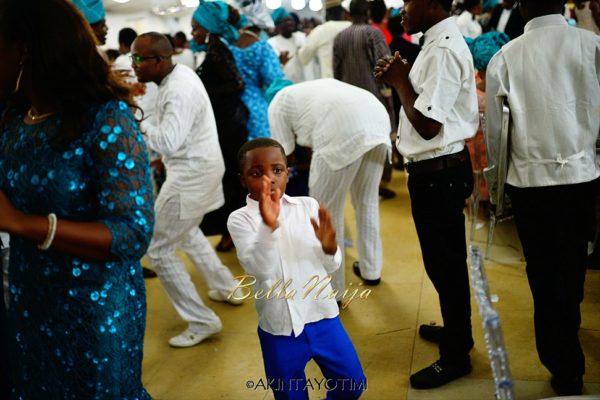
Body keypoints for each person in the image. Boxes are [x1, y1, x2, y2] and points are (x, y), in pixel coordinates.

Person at [0, 0, 155, 397]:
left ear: (26, 51)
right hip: (31, 299)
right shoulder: (17, 119)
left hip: (93, 310)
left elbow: (131, 234)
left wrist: (21, 223)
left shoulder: (105, 119)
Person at [485, 0, 600, 395]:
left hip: (531, 184)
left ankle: (564, 365)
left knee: (543, 273)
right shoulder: (592, 46)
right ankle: (570, 337)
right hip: (584, 176)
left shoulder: (506, 57)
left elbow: (498, 136)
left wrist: (498, 193)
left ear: (520, 5)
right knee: (574, 263)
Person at [374, 0, 479, 390]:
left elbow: (431, 125)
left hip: (441, 174)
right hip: (433, 174)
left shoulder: (446, 48)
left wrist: (400, 81)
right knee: (441, 263)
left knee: (446, 266)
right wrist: (402, 76)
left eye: (409, 1)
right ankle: (457, 332)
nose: (401, 9)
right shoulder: (433, 43)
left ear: (433, 4)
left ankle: (456, 356)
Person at [227, 138, 366, 400]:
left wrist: (329, 247)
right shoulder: (240, 219)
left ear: (288, 173)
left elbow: (331, 265)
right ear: (243, 180)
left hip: (323, 317)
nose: (269, 179)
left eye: (277, 170)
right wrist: (268, 226)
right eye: (257, 173)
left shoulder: (308, 207)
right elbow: (260, 269)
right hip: (279, 329)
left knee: (352, 383)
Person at [131, 32, 243, 348]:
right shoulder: (177, 77)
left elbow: (167, 141)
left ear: (160, 60)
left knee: (158, 248)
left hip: (191, 175)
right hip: (200, 168)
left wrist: (134, 119)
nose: (134, 64)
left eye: (138, 58)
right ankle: (226, 287)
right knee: (188, 231)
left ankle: (201, 319)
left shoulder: (177, 89)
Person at [268, 78, 391, 295]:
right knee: (367, 202)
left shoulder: (277, 103)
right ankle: (371, 270)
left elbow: (284, 158)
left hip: (340, 127)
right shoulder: (308, 91)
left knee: (324, 212)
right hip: (377, 119)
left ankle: (332, 290)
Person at [191, 0, 250, 253]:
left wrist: (203, 91)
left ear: (208, 28)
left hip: (229, 127)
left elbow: (237, 84)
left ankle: (232, 233)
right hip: (227, 124)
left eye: (195, 28)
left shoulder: (217, 50)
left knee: (230, 181)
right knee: (228, 180)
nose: (193, 33)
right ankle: (232, 231)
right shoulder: (216, 48)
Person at [334, 0, 396, 200]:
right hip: (374, 98)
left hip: (348, 100)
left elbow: (337, 71)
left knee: (354, 139)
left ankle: (357, 185)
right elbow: (385, 65)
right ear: (368, 11)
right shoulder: (373, 33)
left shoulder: (340, 37)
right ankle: (376, 185)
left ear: (349, 13)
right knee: (378, 140)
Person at [231, 0, 285, 140]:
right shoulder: (262, 47)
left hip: (234, 106)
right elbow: (274, 80)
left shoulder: (230, 47)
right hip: (257, 108)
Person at [297, 0, 351, 79]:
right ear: (343, 12)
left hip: (331, 84)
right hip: (354, 84)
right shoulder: (353, 27)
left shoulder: (320, 31)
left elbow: (303, 58)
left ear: (326, 13)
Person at [268, 7, 320, 83]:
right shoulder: (271, 43)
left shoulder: (302, 37)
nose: (290, 23)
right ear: (278, 26)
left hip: (305, 82)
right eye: (285, 21)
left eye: (290, 19)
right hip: (285, 85)